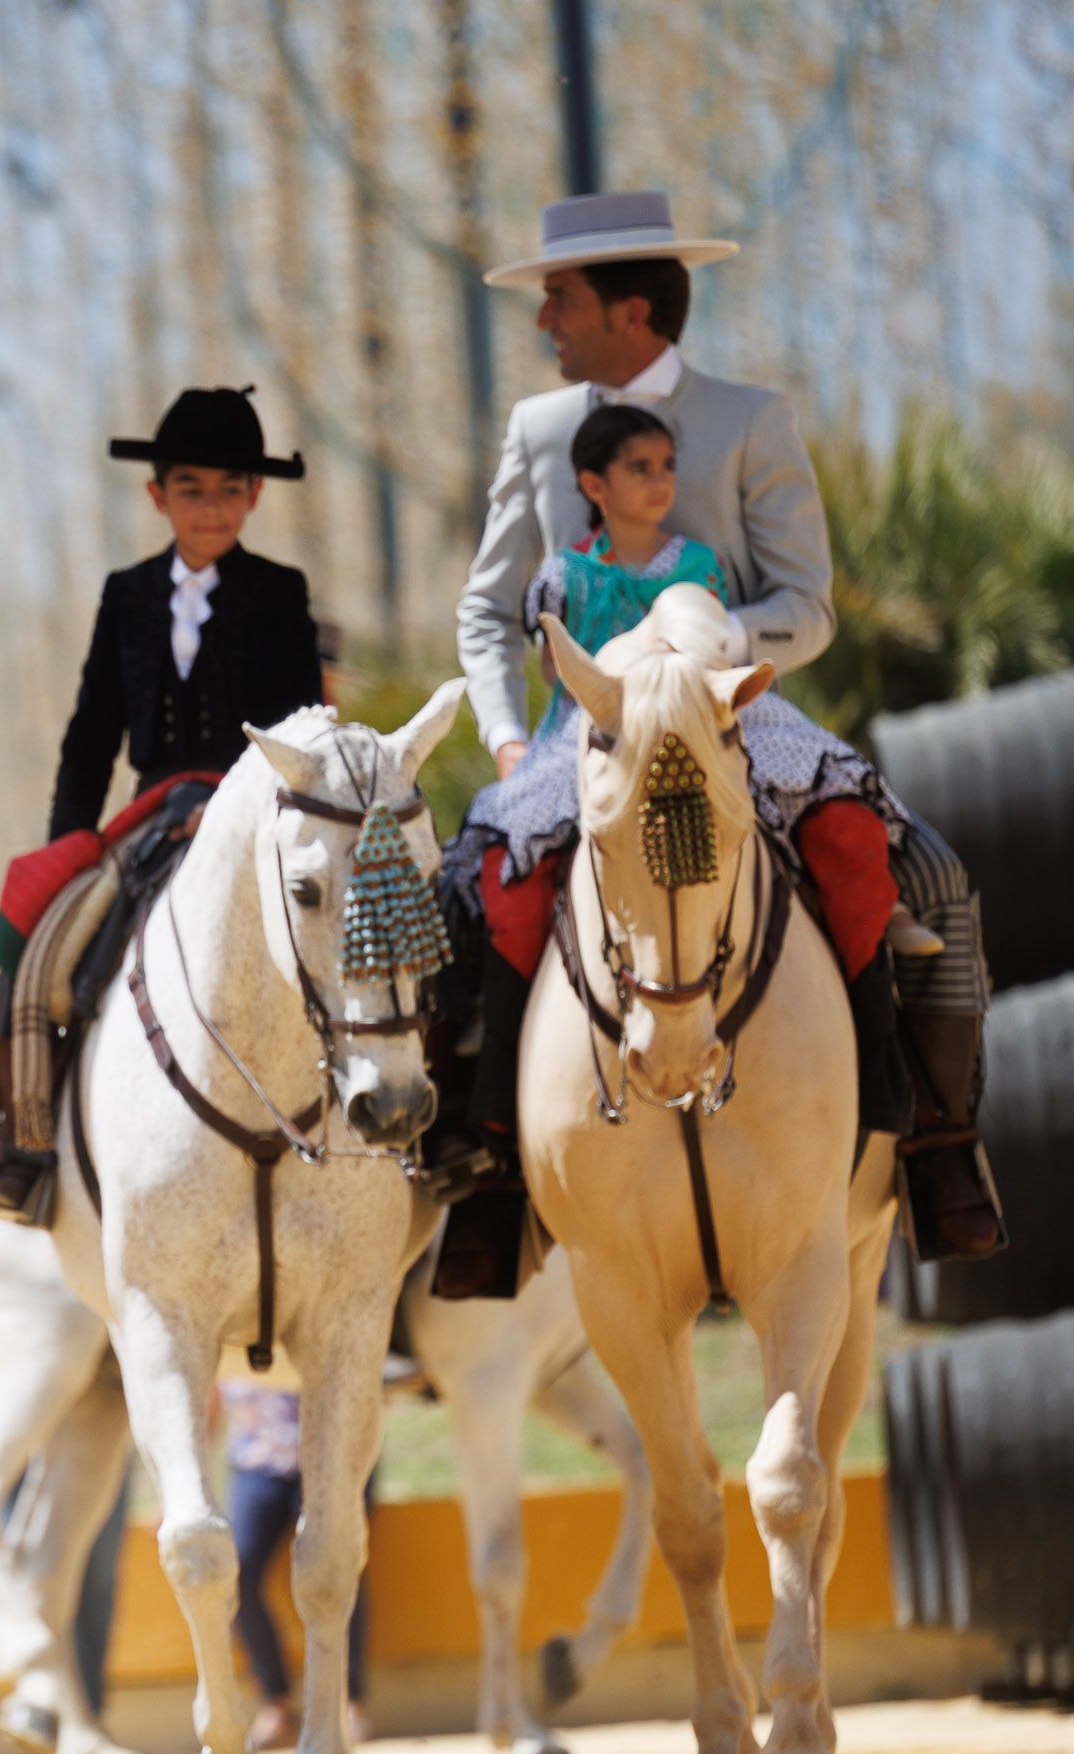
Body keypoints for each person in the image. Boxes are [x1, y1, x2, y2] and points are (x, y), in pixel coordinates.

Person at [432, 191, 1002, 1289]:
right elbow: (488, 610)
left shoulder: (751, 419)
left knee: (923, 873)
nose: (544, 320)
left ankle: (930, 1137)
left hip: (737, 717)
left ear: (631, 311)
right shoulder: (539, 431)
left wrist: (702, 648)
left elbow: (807, 606)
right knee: (478, 897)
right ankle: (490, 1170)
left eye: (561, 298)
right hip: (582, 739)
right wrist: (504, 738)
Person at [0, 387, 325, 1220]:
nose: (212, 507)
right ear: (158, 495)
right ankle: (24, 1145)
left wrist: (238, 805)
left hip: (252, 810)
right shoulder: (125, 594)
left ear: (255, 495)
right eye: (192, 489)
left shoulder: (281, 590)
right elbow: (92, 734)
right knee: (38, 950)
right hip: (151, 814)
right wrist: (67, 848)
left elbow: (300, 722)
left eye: (230, 489)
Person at [222, 1379, 371, 1751]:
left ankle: (347, 1701)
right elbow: (204, 1402)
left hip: (334, 1461)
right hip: (258, 1463)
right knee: (236, 1573)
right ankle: (275, 1701)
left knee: (340, 1568)